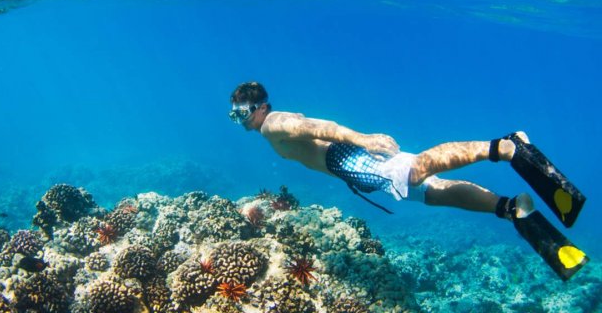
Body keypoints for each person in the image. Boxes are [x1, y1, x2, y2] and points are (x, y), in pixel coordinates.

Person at [228, 81, 588, 280]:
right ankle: (510, 208)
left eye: (243, 112)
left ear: (261, 107)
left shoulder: (273, 124)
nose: (240, 120)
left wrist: (363, 140)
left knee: (417, 170)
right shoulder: (270, 128)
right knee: (433, 193)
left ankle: (505, 147)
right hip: (350, 167)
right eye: (234, 115)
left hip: (351, 158)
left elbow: (319, 127)